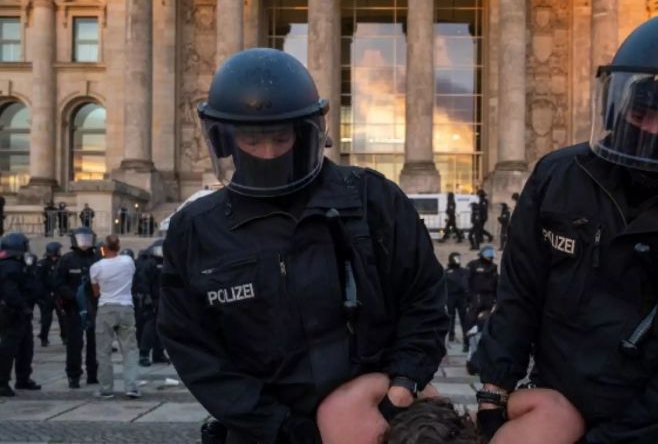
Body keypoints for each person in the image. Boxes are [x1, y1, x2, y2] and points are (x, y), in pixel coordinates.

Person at [473, 12, 658, 443]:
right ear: (620, 104)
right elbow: (520, 293)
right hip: (558, 411)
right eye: (643, 112)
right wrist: (494, 388)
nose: (653, 131)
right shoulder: (561, 176)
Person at [157, 48, 447, 444]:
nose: (269, 153)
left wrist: (402, 386)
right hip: (265, 433)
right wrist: (276, 426)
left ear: (307, 133)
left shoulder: (372, 198)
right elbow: (193, 347)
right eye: (253, 140)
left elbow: (425, 296)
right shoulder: (195, 230)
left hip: (377, 421)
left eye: (281, 138)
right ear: (226, 141)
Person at [89, 234, 140, 399]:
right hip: (126, 307)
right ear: (118, 247)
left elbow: (96, 292)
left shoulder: (96, 267)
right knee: (130, 349)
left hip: (106, 307)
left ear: (103, 248)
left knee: (103, 351)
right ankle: (131, 386)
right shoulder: (128, 261)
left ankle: (106, 388)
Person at [54, 226, 101, 389]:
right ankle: (73, 375)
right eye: (82, 239)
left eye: (87, 240)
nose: (85, 244)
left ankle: (93, 374)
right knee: (75, 343)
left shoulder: (97, 259)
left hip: (93, 306)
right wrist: (72, 295)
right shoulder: (67, 260)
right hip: (73, 307)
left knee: (94, 342)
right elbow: (57, 282)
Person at [0, 233, 42, 396]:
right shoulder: (9, 266)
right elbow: (10, 291)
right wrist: (22, 305)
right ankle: (2, 382)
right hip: (11, 312)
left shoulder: (18, 265)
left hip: (21, 313)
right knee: (8, 349)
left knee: (26, 347)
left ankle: (23, 378)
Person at [134, 240, 167, 366]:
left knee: (162, 329)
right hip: (151, 301)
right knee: (149, 327)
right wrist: (147, 298)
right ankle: (144, 354)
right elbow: (142, 282)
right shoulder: (148, 264)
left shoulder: (166, 263)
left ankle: (159, 353)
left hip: (162, 300)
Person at [465, 246, 498, 355]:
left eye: (491, 253)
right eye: (488, 253)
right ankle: (468, 343)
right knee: (471, 319)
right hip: (476, 296)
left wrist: (496, 298)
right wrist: (468, 295)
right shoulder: (473, 265)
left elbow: (496, 283)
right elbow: (466, 280)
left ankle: (486, 343)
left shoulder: (493, 267)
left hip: (489, 297)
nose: (490, 256)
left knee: (488, 320)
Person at [35, 242, 64, 347]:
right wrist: (41, 296)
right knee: (46, 319)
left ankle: (65, 337)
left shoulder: (61, 262)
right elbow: (38, 281)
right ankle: (44, 337)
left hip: (58, 294)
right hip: (46, 295)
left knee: (62, 317)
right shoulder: (42, 264)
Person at [445, 252, 469, 343]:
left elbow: (468, 284)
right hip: (451, 297)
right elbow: (443, 285)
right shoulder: (446, 272)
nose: (458, 260)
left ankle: (465, 335)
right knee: (451, 317)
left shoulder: (465, 271)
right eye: (456, 258)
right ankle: (451, 335)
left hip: (462, 297)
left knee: (464, 317)